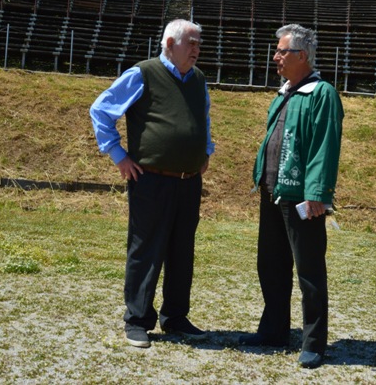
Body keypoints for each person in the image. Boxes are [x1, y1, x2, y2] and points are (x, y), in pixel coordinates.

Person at [89, 19, 214, 349]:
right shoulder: (143, 73)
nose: (197, 49)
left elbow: (204, 117)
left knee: (181, 250)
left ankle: (175, 317)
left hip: (189, 181)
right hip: (151, 181)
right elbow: (101, 110)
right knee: (146, 249)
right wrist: (119, 156)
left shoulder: (198, 80)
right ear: (170, 44)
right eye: (192, 43)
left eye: (199, 43)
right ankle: (137, 319)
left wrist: (206, 150)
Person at [239, 24, 344, 369]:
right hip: (273, 193)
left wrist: (317, 194)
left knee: (309, 270)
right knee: (271, 265)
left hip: (302, 199)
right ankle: (273, 330)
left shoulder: (321, 93)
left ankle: (313, 342)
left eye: (282, 51)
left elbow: (324, 147)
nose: (276, 57)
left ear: (301, 56)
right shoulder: (285, 92)